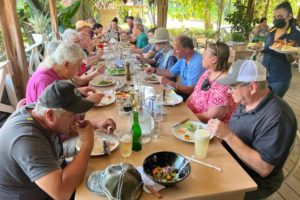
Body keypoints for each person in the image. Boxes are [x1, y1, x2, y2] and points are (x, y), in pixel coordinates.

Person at [207, 60, 297, 199]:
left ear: (253, 87)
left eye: (232, 87)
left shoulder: (277, 117)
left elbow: (264, 168)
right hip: (231, 161)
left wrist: (228, 136)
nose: (229, 92)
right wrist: (220, 136)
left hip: (254, 180)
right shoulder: (246, 101)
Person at [0, 81, 96, 199]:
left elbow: (62, 124)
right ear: (50, 115)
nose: (77, 119)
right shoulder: (27, 139)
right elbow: (61, 193)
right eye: (72, 115)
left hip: (54, 179)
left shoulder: (39, 111)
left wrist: (95, 124)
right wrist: (88, 144)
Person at [25, 42, 103, 104]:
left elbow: (58, 96)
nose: (79, 71)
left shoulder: (54, 69)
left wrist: (78, 91)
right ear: (66, 64)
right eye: (77, 66)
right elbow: (53, 117)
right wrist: (88, 102)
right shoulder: (44, 81)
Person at [186, 41, 235, 122]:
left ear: (214, 59)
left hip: (206, 126)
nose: (202, 57)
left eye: (205, 54)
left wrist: (188, 116)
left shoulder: (224, 84)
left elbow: (210, 116)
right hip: (192, 117)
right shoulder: (208, 72)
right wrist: (184, 108)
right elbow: (194, 93)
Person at [145, 35, 205, 100]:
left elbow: (191, 91)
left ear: (187, 49)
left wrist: (170, 83)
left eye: (176, 50)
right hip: (181, 93)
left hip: (190, 98)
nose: (173, 52)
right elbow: (171, 72)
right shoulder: (183, 58)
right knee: (154, 95)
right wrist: (154, 70)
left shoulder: (197, 63)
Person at [262, 1, 300, 97]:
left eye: (280, 16)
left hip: (279, 78)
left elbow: (292, 59)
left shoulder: (295, 33)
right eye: (275, 17)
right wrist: (260, 48)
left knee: (272, 105)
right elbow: (266, 48)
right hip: (263, 75)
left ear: (289, 16)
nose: (276, 19)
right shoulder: (272, 30)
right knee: (263, 106)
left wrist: (287, 50)